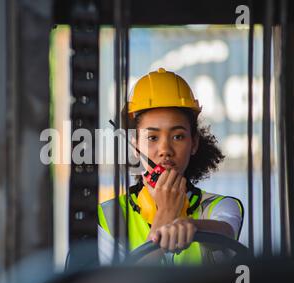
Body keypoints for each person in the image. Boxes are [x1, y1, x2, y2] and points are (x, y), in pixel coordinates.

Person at [98, 68, 244, 265]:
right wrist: (166, 214)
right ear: (135, 145)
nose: (165, 149)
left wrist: (190, 225)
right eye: (152, 137)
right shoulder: (106, 217)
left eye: (178, 136)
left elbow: (226, 232)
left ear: (194, 143)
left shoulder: (220, 206)